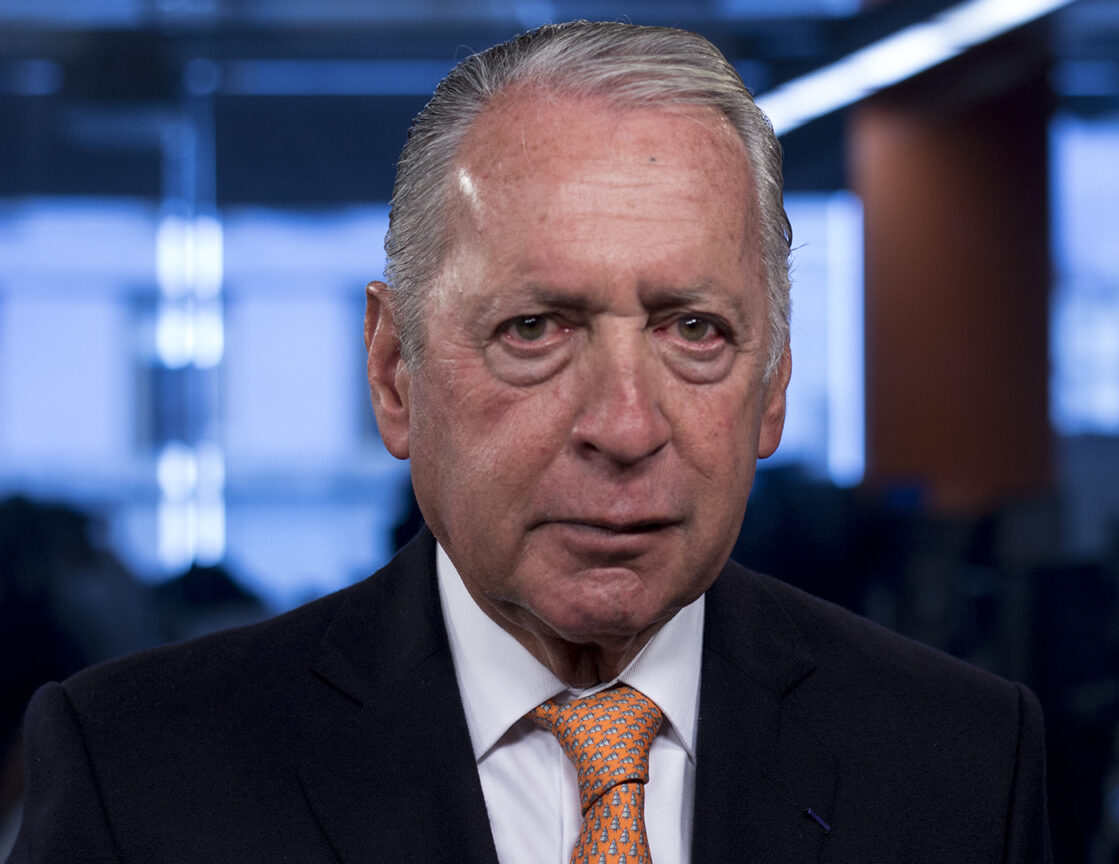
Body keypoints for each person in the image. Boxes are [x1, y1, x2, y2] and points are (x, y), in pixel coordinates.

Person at [7, 20, 1050, 864]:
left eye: (695, 330)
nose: (626, 428)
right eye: (535, 330)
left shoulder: (959, 763)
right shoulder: (138, 773)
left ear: (772, 384)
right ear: (395, 372)